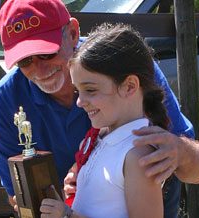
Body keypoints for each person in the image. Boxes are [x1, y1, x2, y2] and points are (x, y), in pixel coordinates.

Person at [0, 0, 199, 217]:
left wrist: (180, 152)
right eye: (25, 61)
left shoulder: (124, 63)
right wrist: (67, 194)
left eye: (47, 53)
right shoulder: (3, 103)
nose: (40, 69)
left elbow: (197, 171)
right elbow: (18, 195)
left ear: (72, 32)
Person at [40, 22, 166, 218]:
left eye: (90, 90)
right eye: (77, 91)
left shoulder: (137, 155)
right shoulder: (100, 139)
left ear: (129, 86)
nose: (80, 102)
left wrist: (67, 216)